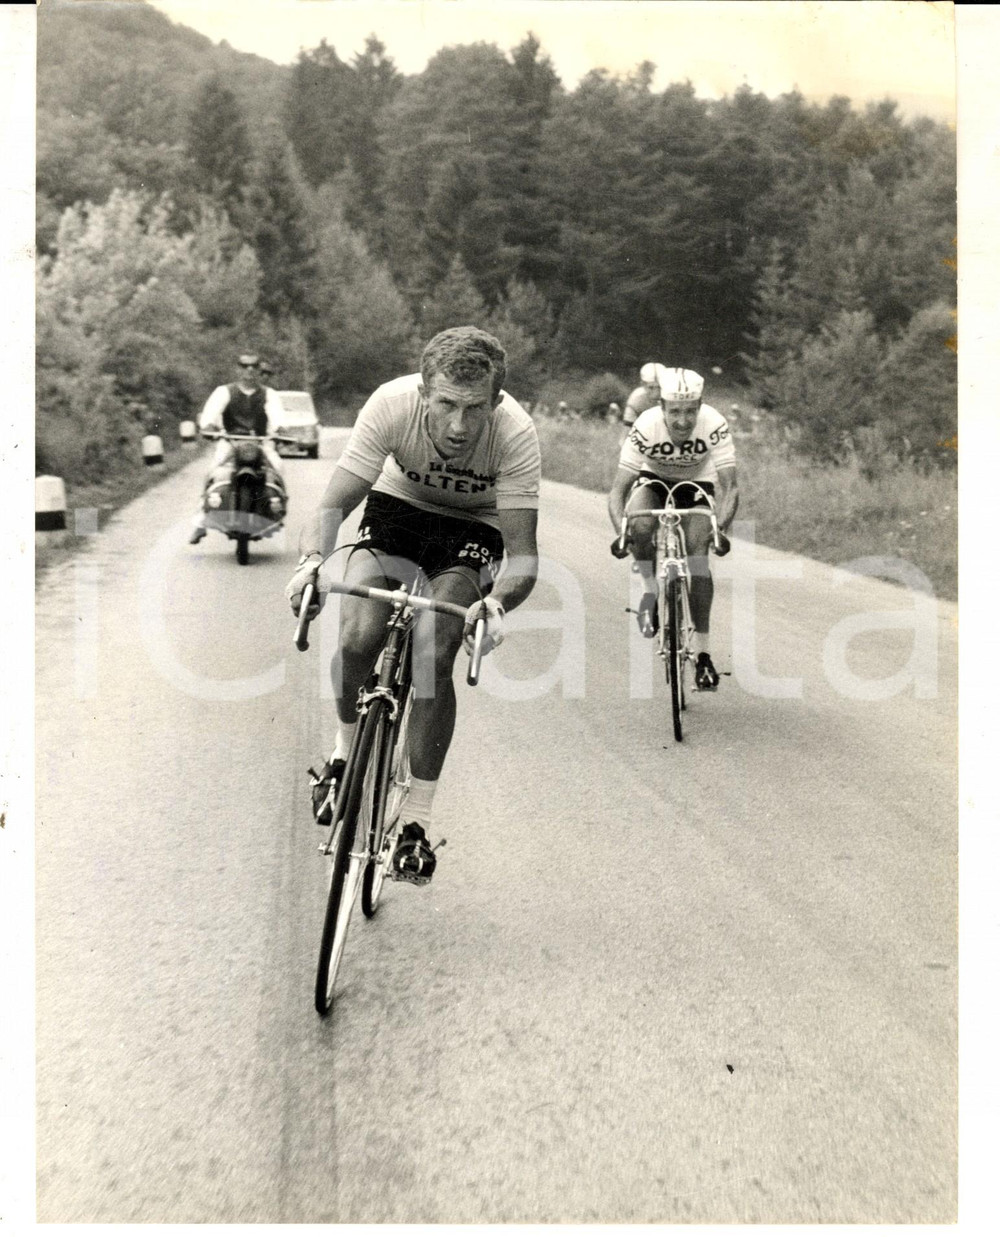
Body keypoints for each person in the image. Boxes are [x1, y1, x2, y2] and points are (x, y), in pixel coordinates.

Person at [285, 326, 540, 884]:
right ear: (422, 391)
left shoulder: (515, 434)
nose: (458, 425)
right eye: (446, 404)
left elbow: (522, 556)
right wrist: (310, 563)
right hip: (398, 507)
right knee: (358, 634)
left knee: (432, 650)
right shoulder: (390, 405)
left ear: (496, 402)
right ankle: (345, 751)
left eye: (475, 409)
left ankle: (416, 823)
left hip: (475, 525)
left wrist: (496, 604)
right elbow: (332, 506)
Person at [607, 365, 738, 690]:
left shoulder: (715, 424)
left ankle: (704, 656)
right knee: (638, 525)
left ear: (700, 406)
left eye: (690, 411)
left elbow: (731, 488)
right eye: (675, 412)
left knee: (697, 553)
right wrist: (621, 534)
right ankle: (651, 591)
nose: (683, 421)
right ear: (661, 407)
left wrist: (719, 528)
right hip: (653, 478)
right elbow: (617, 492)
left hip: (697, 482)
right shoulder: (646, 425)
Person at [189, 353, 287, 544]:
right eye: (244, 366)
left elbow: (277, 417)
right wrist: (208, 426)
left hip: (260, 442)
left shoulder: (269, 394)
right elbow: (210, 415)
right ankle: (201, 521)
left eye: (253, 366)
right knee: (212, 472)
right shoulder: (224, 391)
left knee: (278, 466)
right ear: (237, 369)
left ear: (259, 370)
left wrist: (280, 429)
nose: (249, 370)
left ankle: (277, 508)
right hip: (231, 442)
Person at [622, 362, 662, 430]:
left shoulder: (671, 396)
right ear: (643, 385)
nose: (656, 393)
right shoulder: (636, 400)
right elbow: (626, 433)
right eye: (651, 387)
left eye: (659, 387)